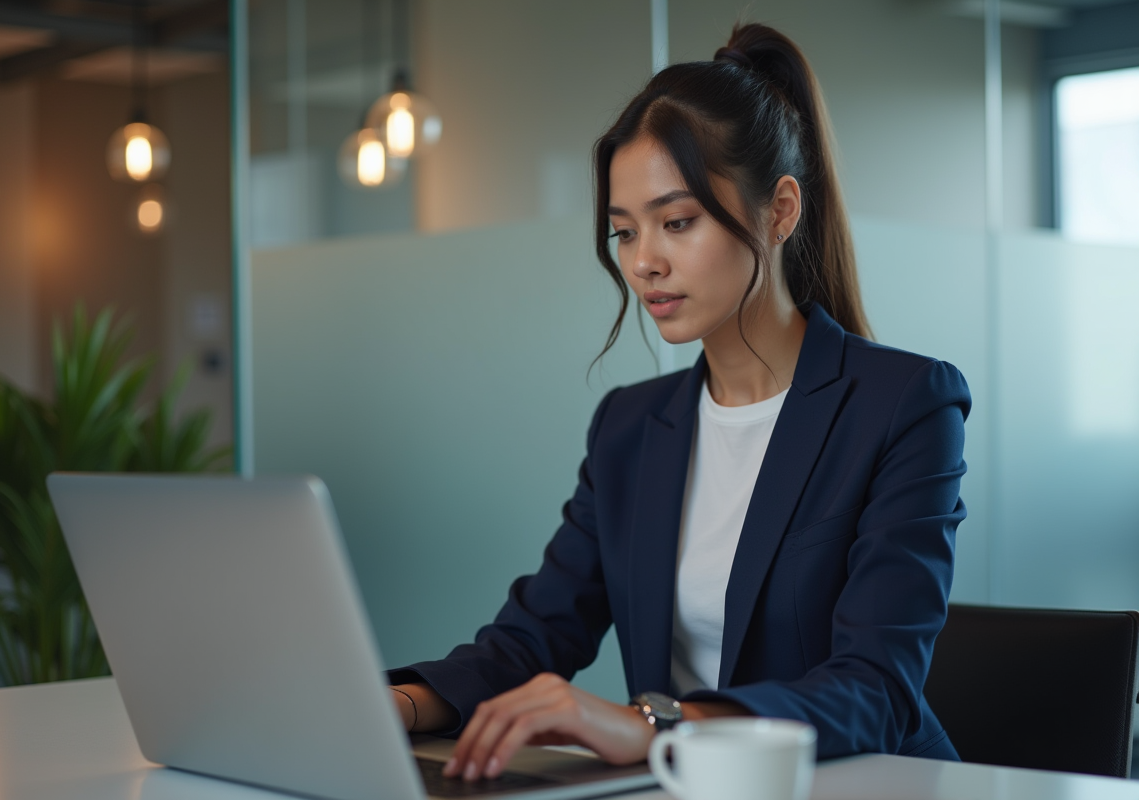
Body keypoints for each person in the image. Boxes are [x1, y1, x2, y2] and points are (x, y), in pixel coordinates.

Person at [387, 21, 969, 779]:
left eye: (678, 222)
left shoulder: (903, 404)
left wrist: (656, 726)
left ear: (781, 210)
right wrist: (389, 706)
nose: (644, 263)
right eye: (624, 233)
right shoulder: (631, 426)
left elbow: (875, 687)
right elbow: (527, 643)